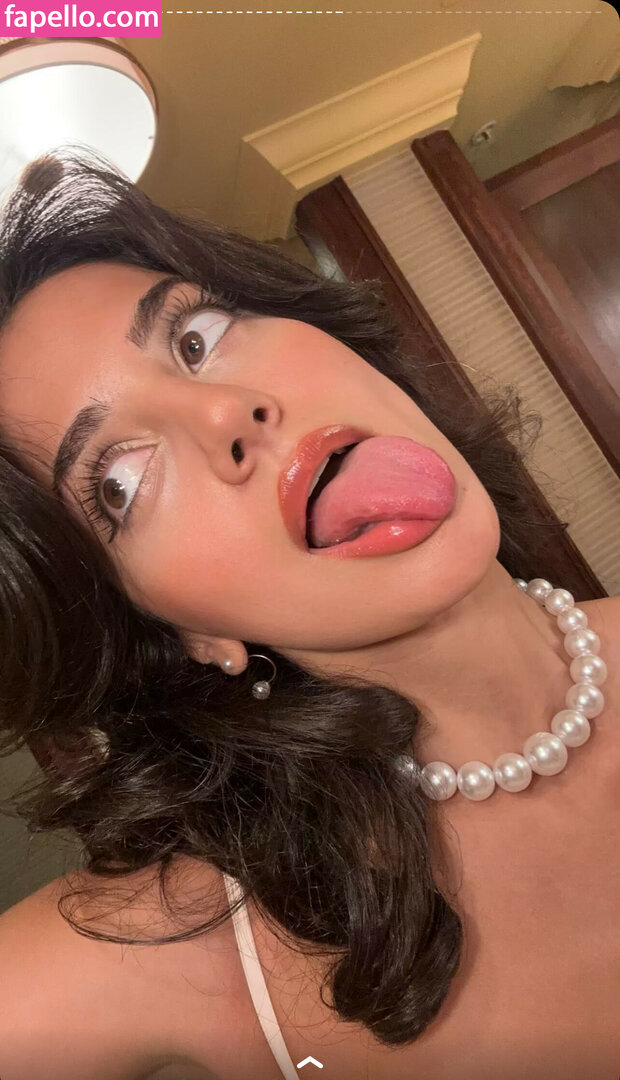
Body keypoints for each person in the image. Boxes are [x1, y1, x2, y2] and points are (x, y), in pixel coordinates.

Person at [0, 150, 617, 1080]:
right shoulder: (187, 946)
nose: (224, 414)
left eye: (196, 337)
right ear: (182, 632)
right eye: (118, 482)